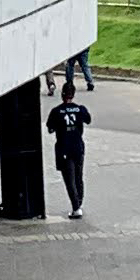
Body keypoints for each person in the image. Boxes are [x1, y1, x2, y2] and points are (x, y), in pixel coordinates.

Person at [47, 87, 91, 218]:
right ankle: (79, 202)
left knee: (69, 179)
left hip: (64, 148)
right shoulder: (80, 109)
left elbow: (50, 129)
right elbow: (88, 120)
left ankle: (76, 207)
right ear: (73, 94)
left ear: (62, 95)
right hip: (78, 147)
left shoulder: (56, 111)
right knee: (78, 176)